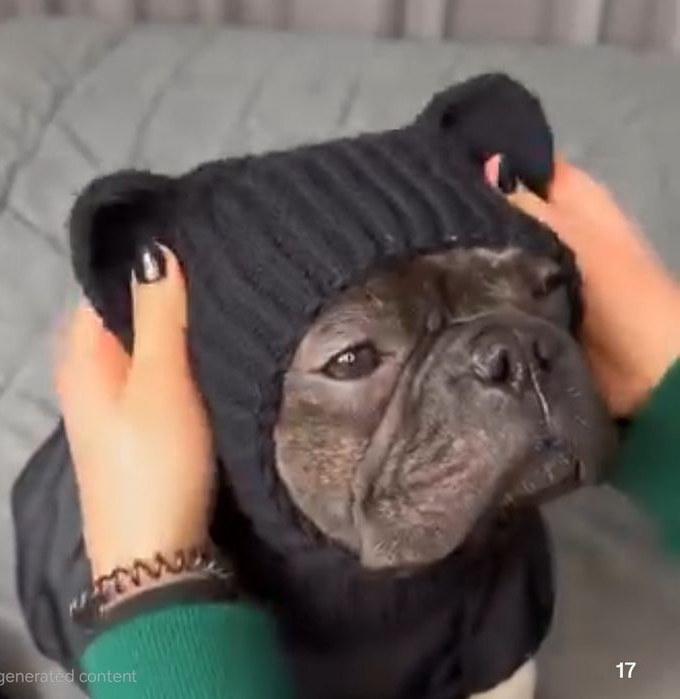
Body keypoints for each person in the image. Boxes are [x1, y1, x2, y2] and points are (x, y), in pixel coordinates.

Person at [55, 156, 680, 698]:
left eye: (539, 293)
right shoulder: (71, 552)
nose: (516, 361)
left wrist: (150, 589)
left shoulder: (500, 585)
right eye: (355, 359)